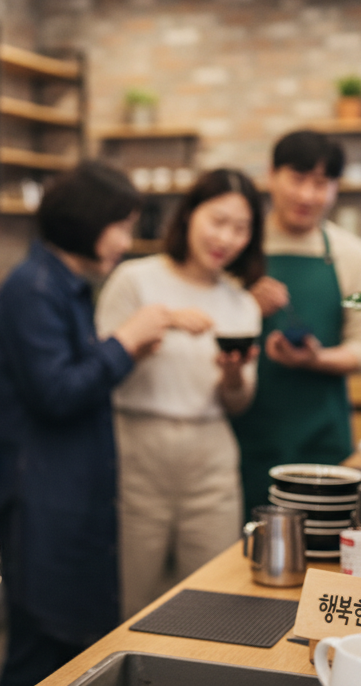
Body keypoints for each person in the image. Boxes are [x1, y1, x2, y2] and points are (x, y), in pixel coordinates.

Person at [0, 161, 175, 686]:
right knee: (44, 650)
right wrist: (125, 341)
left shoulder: (66, 285)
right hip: (38, 505)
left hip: (66, 499)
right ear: (88, 219)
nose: (126, 242)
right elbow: (57, 392)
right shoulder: (34, 289)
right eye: (122, 226)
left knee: (71, 647)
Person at [96, 168, 265, 618]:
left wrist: (231, 378)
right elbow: (98, 370)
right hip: (137, 451)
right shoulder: (136, 280)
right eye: (217, 220)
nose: (226, 237)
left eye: (241, 228)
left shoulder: (241, 303)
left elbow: (240, 403)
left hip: (211, 457)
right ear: (189, 216)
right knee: (133, 598)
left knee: (212, 599)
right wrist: (161, 323)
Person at [231, 130, 361, 517]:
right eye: (298, 179)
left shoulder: (351, 254)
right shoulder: (236, 247)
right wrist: (244, 306)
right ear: (272, 175)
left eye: (321, 183)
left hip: (324, 439)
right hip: (241, 439)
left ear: (335, 187)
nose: (307, 195)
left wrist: (318, 360)